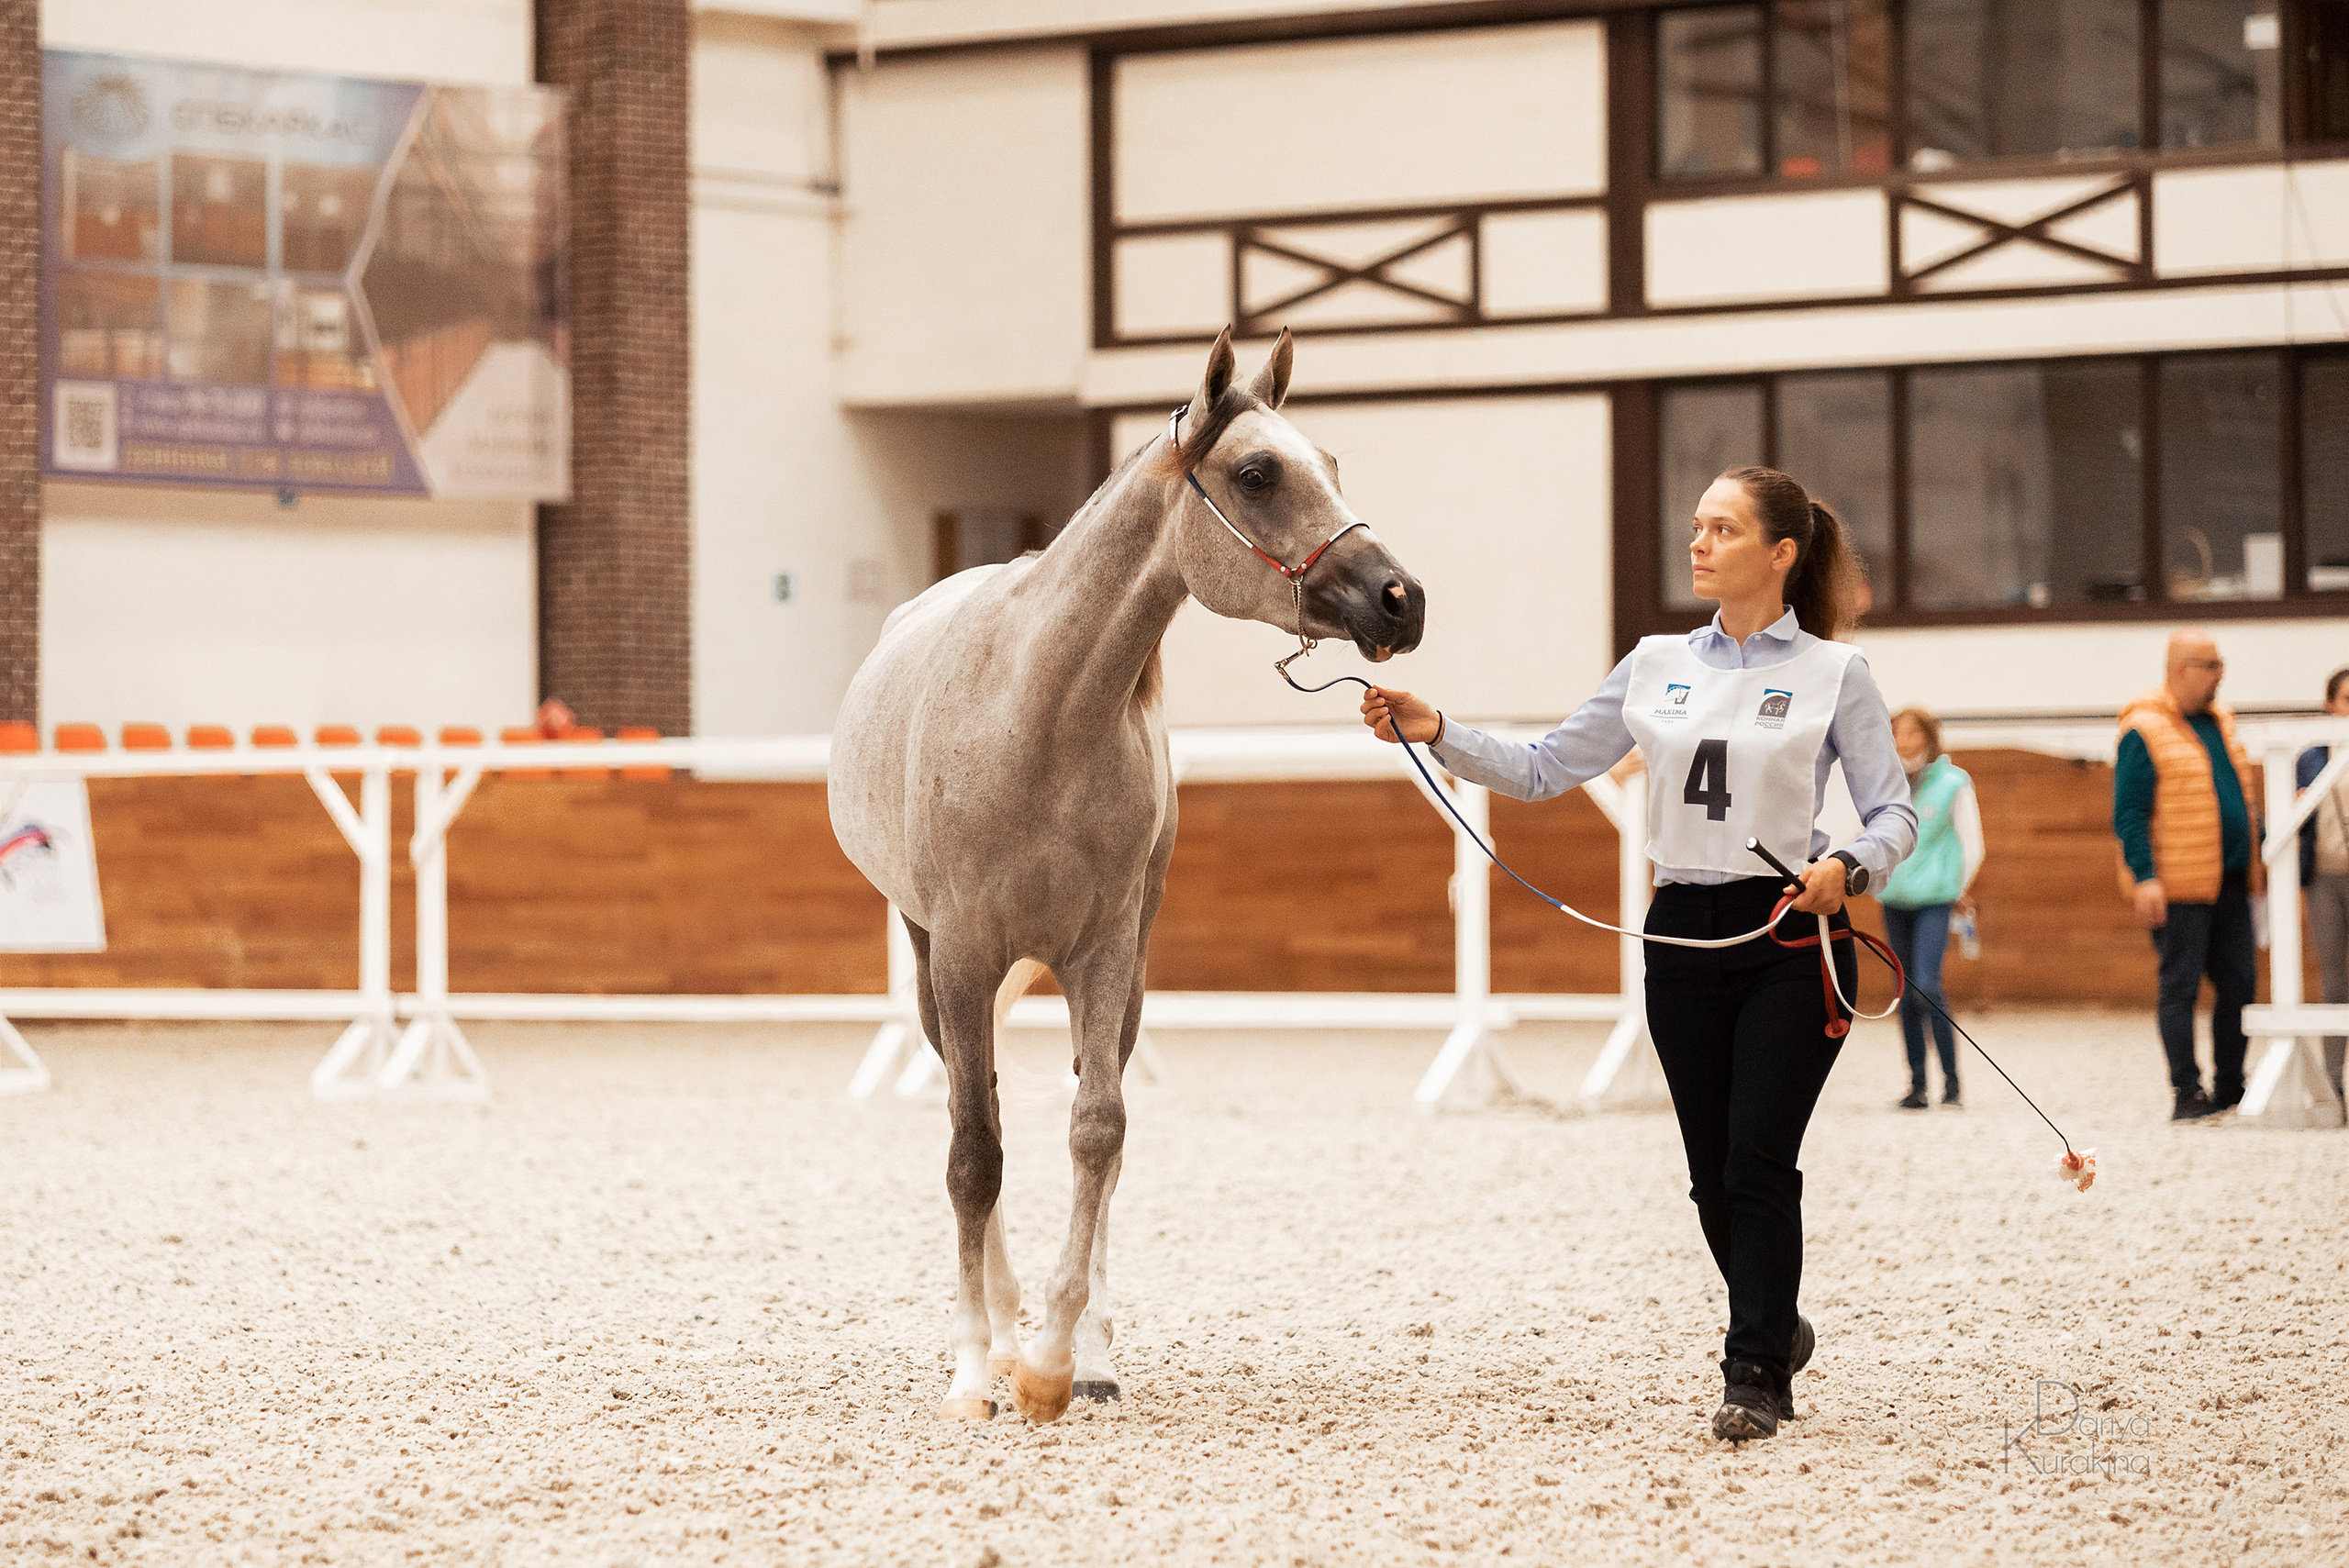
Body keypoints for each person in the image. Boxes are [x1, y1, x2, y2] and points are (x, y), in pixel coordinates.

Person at [1358, 465, 1915, 1444]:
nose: (1697, 542)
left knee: (1755, 1160)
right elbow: (1542, 768)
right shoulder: (1655, 659)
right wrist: (1435, 728)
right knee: (1709, 1174)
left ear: (1780, 553)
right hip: (1678, 933)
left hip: (1790, 933)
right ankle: (1777, 1321)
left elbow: (1892, 810)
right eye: (1696, 524)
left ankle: (1753, 1374)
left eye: (1723, 528)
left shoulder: (1838, 673)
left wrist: (1851, 863)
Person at [2113, 630, 2261, 1122]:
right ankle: (2186, 1091)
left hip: (2233, 879)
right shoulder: (2144, 729)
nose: (2220, 673)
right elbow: (2130, 813)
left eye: (2220, 663)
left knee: (2240, 984)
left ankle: (2230, 1086)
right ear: (2180, 669)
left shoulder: (2220, 723)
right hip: (2178, 884)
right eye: (2210, 665)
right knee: (2180, 986)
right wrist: (2145, 876)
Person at [1878, 707, 1983, 1110]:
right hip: (1894, 898)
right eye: (1898, 732)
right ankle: (1917, 1084)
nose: (1906, 740)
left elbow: (1972, 842)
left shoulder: (1954, 782)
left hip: (1936, 899)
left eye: (1913, 732)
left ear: (1929, 737)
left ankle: (1952, 1082)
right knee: (1904, 991)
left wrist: (1960, 888)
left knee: (1926, 984)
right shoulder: (1884, 782)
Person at [2295, 666, 2349, 1101]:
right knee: (2335, 980)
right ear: (2330, 703)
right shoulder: (2311, 755)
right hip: (2325, 876)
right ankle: (2333, 1082)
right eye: (2347, 699)